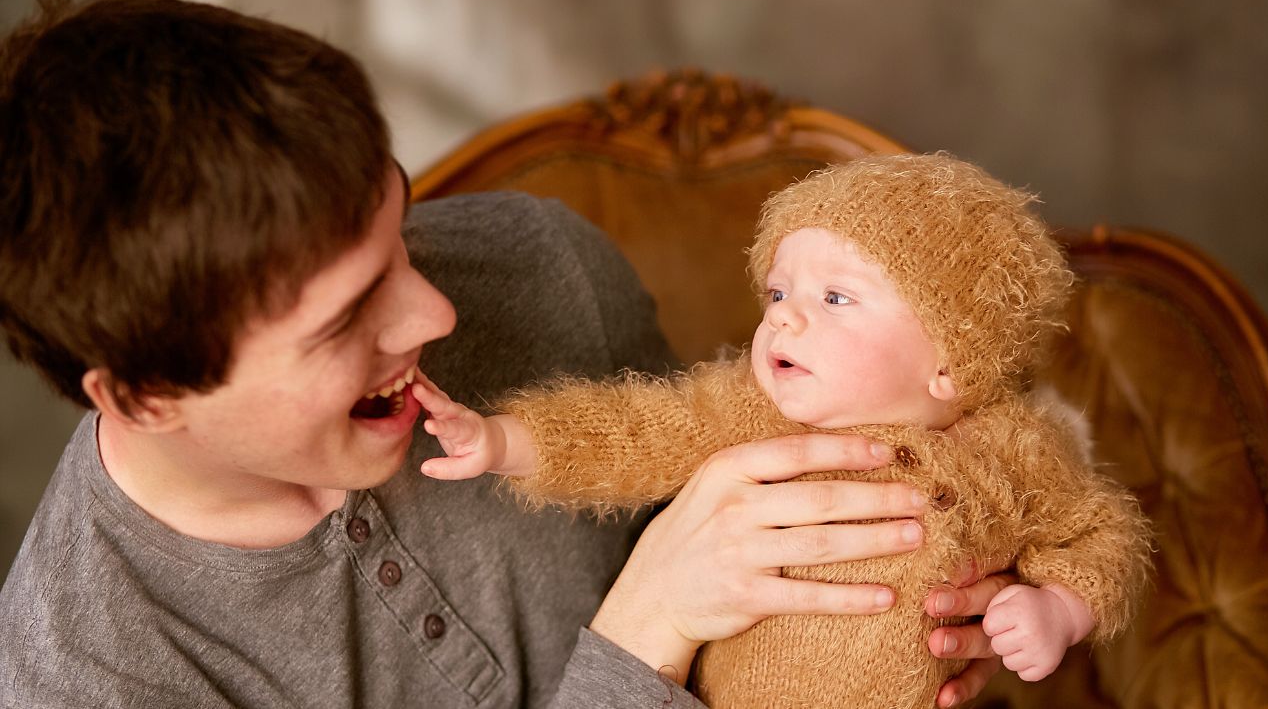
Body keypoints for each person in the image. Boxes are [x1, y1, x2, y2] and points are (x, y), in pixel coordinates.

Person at [0, 0, 1008, 709]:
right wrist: (643, 631)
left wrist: (935, 607)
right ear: (147, 396)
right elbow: (672, 590)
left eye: (396, 234)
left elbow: (756, 516)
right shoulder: (87, 671)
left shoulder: (541, 265)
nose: (433, 313)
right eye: (346, 317)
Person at [411, 154, 1152, 707]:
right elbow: (637, 429)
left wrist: (1059, 606)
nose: (783, 317)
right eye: (778, 290)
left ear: (949, 364)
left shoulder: (1016, 452)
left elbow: (1100, 533)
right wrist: (507, 441)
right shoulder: (753, 412)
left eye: (835, 297)